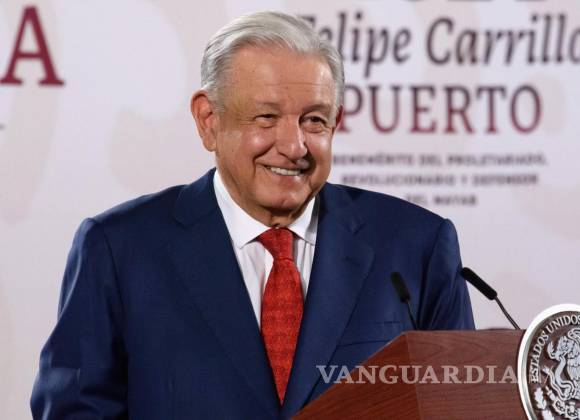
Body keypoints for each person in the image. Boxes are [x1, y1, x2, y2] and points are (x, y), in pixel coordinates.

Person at [31, 11, 474, 419]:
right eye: (266, 118)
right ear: (208, 120)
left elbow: (461, 407)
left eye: (314, 121)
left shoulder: (416, 245)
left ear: (336, 122)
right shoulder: (118, 249)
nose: (294, 146)